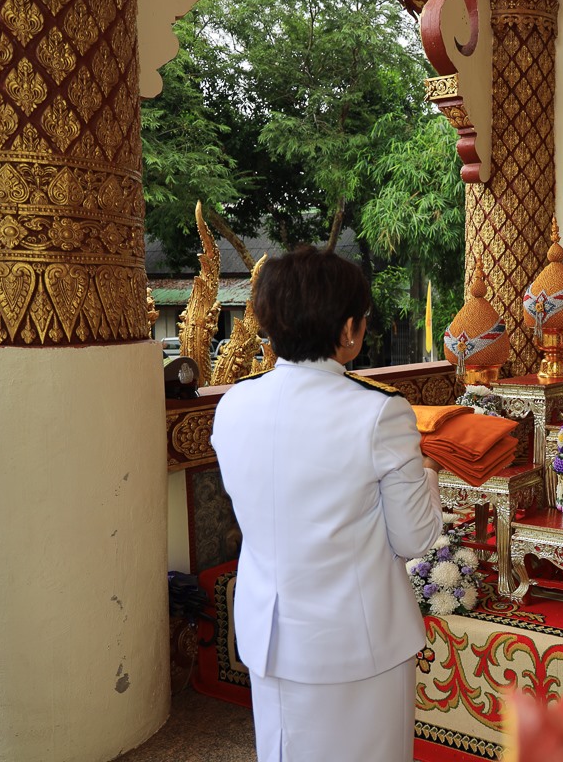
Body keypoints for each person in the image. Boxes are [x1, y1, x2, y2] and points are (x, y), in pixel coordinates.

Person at [211, 247, 444, 762]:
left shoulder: (233, 404)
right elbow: (414, 538)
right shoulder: (380, 413)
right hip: (355, 642)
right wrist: (430, 474)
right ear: (348, 330)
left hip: (269, 634)